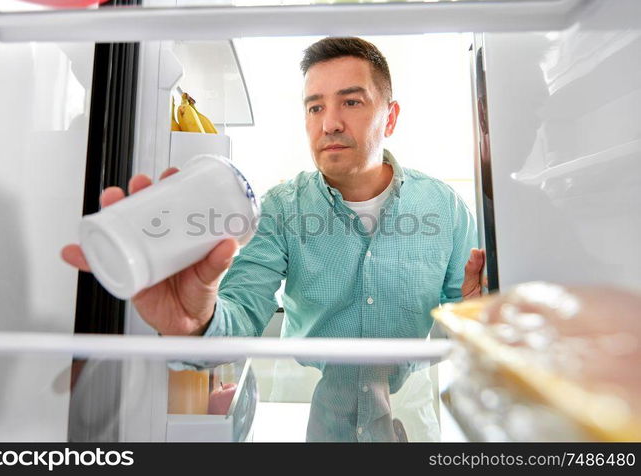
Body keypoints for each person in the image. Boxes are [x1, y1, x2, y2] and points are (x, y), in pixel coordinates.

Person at [62, 36, 485, 440]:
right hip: (307, 418)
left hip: (410, 421)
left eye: (351, 102)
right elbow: (239, 317)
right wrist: (193, 325)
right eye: (315, 107)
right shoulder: (281, 209)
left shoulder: (443, 209)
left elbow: (465, 330)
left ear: (390, 117)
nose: (330, 123)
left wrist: (477, 317)